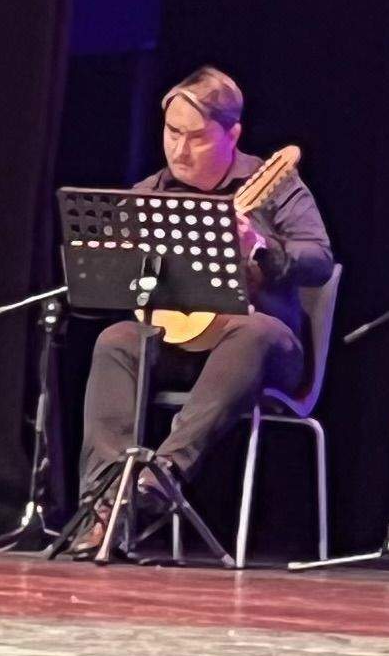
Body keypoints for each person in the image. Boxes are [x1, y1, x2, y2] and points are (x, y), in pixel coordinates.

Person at [65, 67, 336, 554]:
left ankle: (159, 480)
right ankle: (106, 501)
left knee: (251, 331)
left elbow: (319, 260)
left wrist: (262, 248)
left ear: (232, 134)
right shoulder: (152, 193)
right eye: (171, 133)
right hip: (175, 344)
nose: (179, 150)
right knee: (117, 340)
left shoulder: (272, 185)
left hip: (259, 349)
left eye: (195, 137)